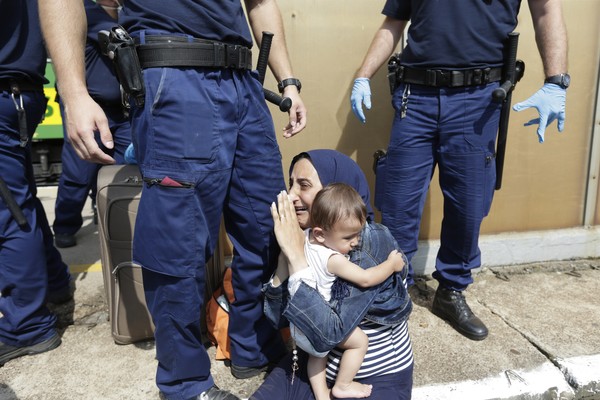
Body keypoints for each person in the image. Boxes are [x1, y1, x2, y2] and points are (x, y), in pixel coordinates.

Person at [39, 1, 307, 399]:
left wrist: (288, 81)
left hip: (243, 83)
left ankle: (252, 346)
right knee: (177, 243)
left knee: (268, 225)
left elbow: (260, 3)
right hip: (174, 74)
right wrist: (73, 90)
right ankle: (184, 384)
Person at [349, 0, 568, 341]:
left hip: (478, 99)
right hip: (414, 97)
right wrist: (363, 75)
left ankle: (450, 290)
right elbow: (393, 23)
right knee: (397, 202)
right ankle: (393, 290)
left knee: (469, 205)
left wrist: (556, 80)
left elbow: (547, 10)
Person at [253, 149, 414, 400]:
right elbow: (278, 319)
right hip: (316, 364)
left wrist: (297, 259)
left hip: (376, 376)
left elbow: (330, 334)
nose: (291, 195)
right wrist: (285, 262)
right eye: (290, 184)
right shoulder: (303, 236)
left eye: (303, 185)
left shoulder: (366, 244)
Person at [0, 0, 66, 365]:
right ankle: (55, 282)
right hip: (20, 90)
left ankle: (26, 326)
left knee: (10, 213)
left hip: (6, 88)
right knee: (18, 202)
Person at [52, 0, 131, 249]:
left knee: (124, 172)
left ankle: (111, 215)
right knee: (79, 174)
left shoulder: (130, 13)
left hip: (125, 111)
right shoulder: (82, 10)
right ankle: (65, 225)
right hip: (90, 108)